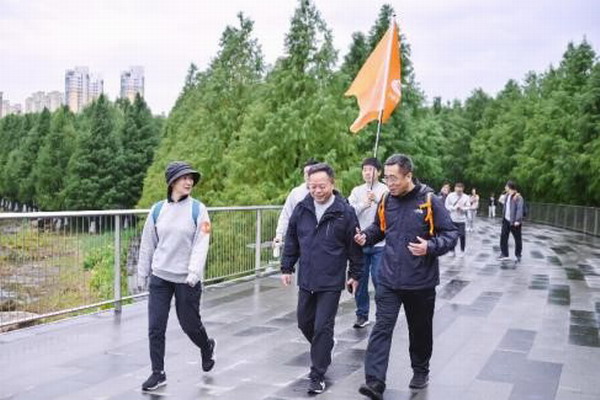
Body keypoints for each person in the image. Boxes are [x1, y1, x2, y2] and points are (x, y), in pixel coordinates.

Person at [355, 154, 458, 399]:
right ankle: (375, 382)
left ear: (408, 176)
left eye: (394, 178)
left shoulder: (429, 200)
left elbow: (451, 233)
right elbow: (380, 228)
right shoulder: (386, 200)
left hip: (420, 281)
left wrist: (430, 247)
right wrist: (366, 236)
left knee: (419, 329)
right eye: (386, 178)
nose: (389, 183)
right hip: (389, 278)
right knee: (382, 327)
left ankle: (420, 370)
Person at [281, 163, 363, 395]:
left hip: (331, 279)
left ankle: (317, 375)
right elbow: (292, 239)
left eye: (322, 186)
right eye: (312, 186)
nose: (317, 191)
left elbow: (354, 246)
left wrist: (355, 274)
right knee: (304, 322)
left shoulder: (344, 211)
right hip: (306, 277)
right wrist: (286, 267)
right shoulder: (302, 208)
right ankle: (325, 346)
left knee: (322, 327)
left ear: (332, 184)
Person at [136, 161, 216, 391]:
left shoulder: (198, 209)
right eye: (184, 178)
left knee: (190, 325)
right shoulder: (157, 210)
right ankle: (158, 373)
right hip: (160, 277)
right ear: (172, 182)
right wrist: (143, 273)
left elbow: (201, 243)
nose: (189, 182)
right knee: (155, 327)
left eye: (191, 178)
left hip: (186, 279)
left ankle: (206, 346)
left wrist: (194, 272)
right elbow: (148, 243)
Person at [348, 157, 388, 329]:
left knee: (379, 278)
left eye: (371, 170)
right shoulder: (357, 191)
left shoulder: (386, 190)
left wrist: (377, 200)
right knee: (360, 280)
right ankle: (362, 315)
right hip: (360, 241)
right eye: (364, 170)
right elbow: (348, 212)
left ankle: (382, 314)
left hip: (381, 243)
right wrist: (363, 204)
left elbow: (391, 210)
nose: (367, 173)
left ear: (378, 172)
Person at [272, 158, 320, 256]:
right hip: (300, 239)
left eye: (311, 172)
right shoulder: (296, 193)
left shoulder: (326, 192)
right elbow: (286, 214)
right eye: (306, 172)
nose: (308, 175)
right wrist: (279, 235)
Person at [498, 181, 524, 262]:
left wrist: (517, 220)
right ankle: (504, 253)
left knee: (517, 238)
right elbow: (501, 201)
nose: (505, 188)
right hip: (506, 220)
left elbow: (519, 209)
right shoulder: (507, 196)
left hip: (514, 221)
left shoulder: (518, 197)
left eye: (506, 186)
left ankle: (518, 254)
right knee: (503, 236)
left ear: (509, 187)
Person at [444, 183, 470, 257]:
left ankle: (462, 250)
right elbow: (446, 206)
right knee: (452, 236)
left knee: (462, 235)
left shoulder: (466, 197)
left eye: (460, 191)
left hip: (462, 220)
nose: (459, 192)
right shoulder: (450, 196)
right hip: (452, 219)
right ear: (455, 188)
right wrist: (454, 208)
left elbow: (468, 207)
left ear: (463, 189)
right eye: (457, 190)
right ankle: (452, 251)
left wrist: (463, 208)